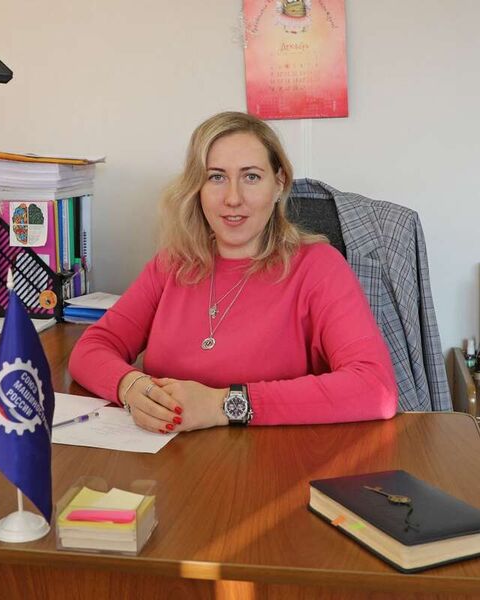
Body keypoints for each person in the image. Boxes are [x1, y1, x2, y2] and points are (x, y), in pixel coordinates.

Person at [68, 111, 397, 433]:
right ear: (197, 187)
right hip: (170, 457)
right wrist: (130, 386)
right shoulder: (172, 263)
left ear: (279, 183)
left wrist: (223, 405)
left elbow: (376, 387)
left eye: (251, 177)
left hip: (275, 460)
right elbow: (93, 347)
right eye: (216, 177)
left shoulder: (318, 267)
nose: (233, 198)